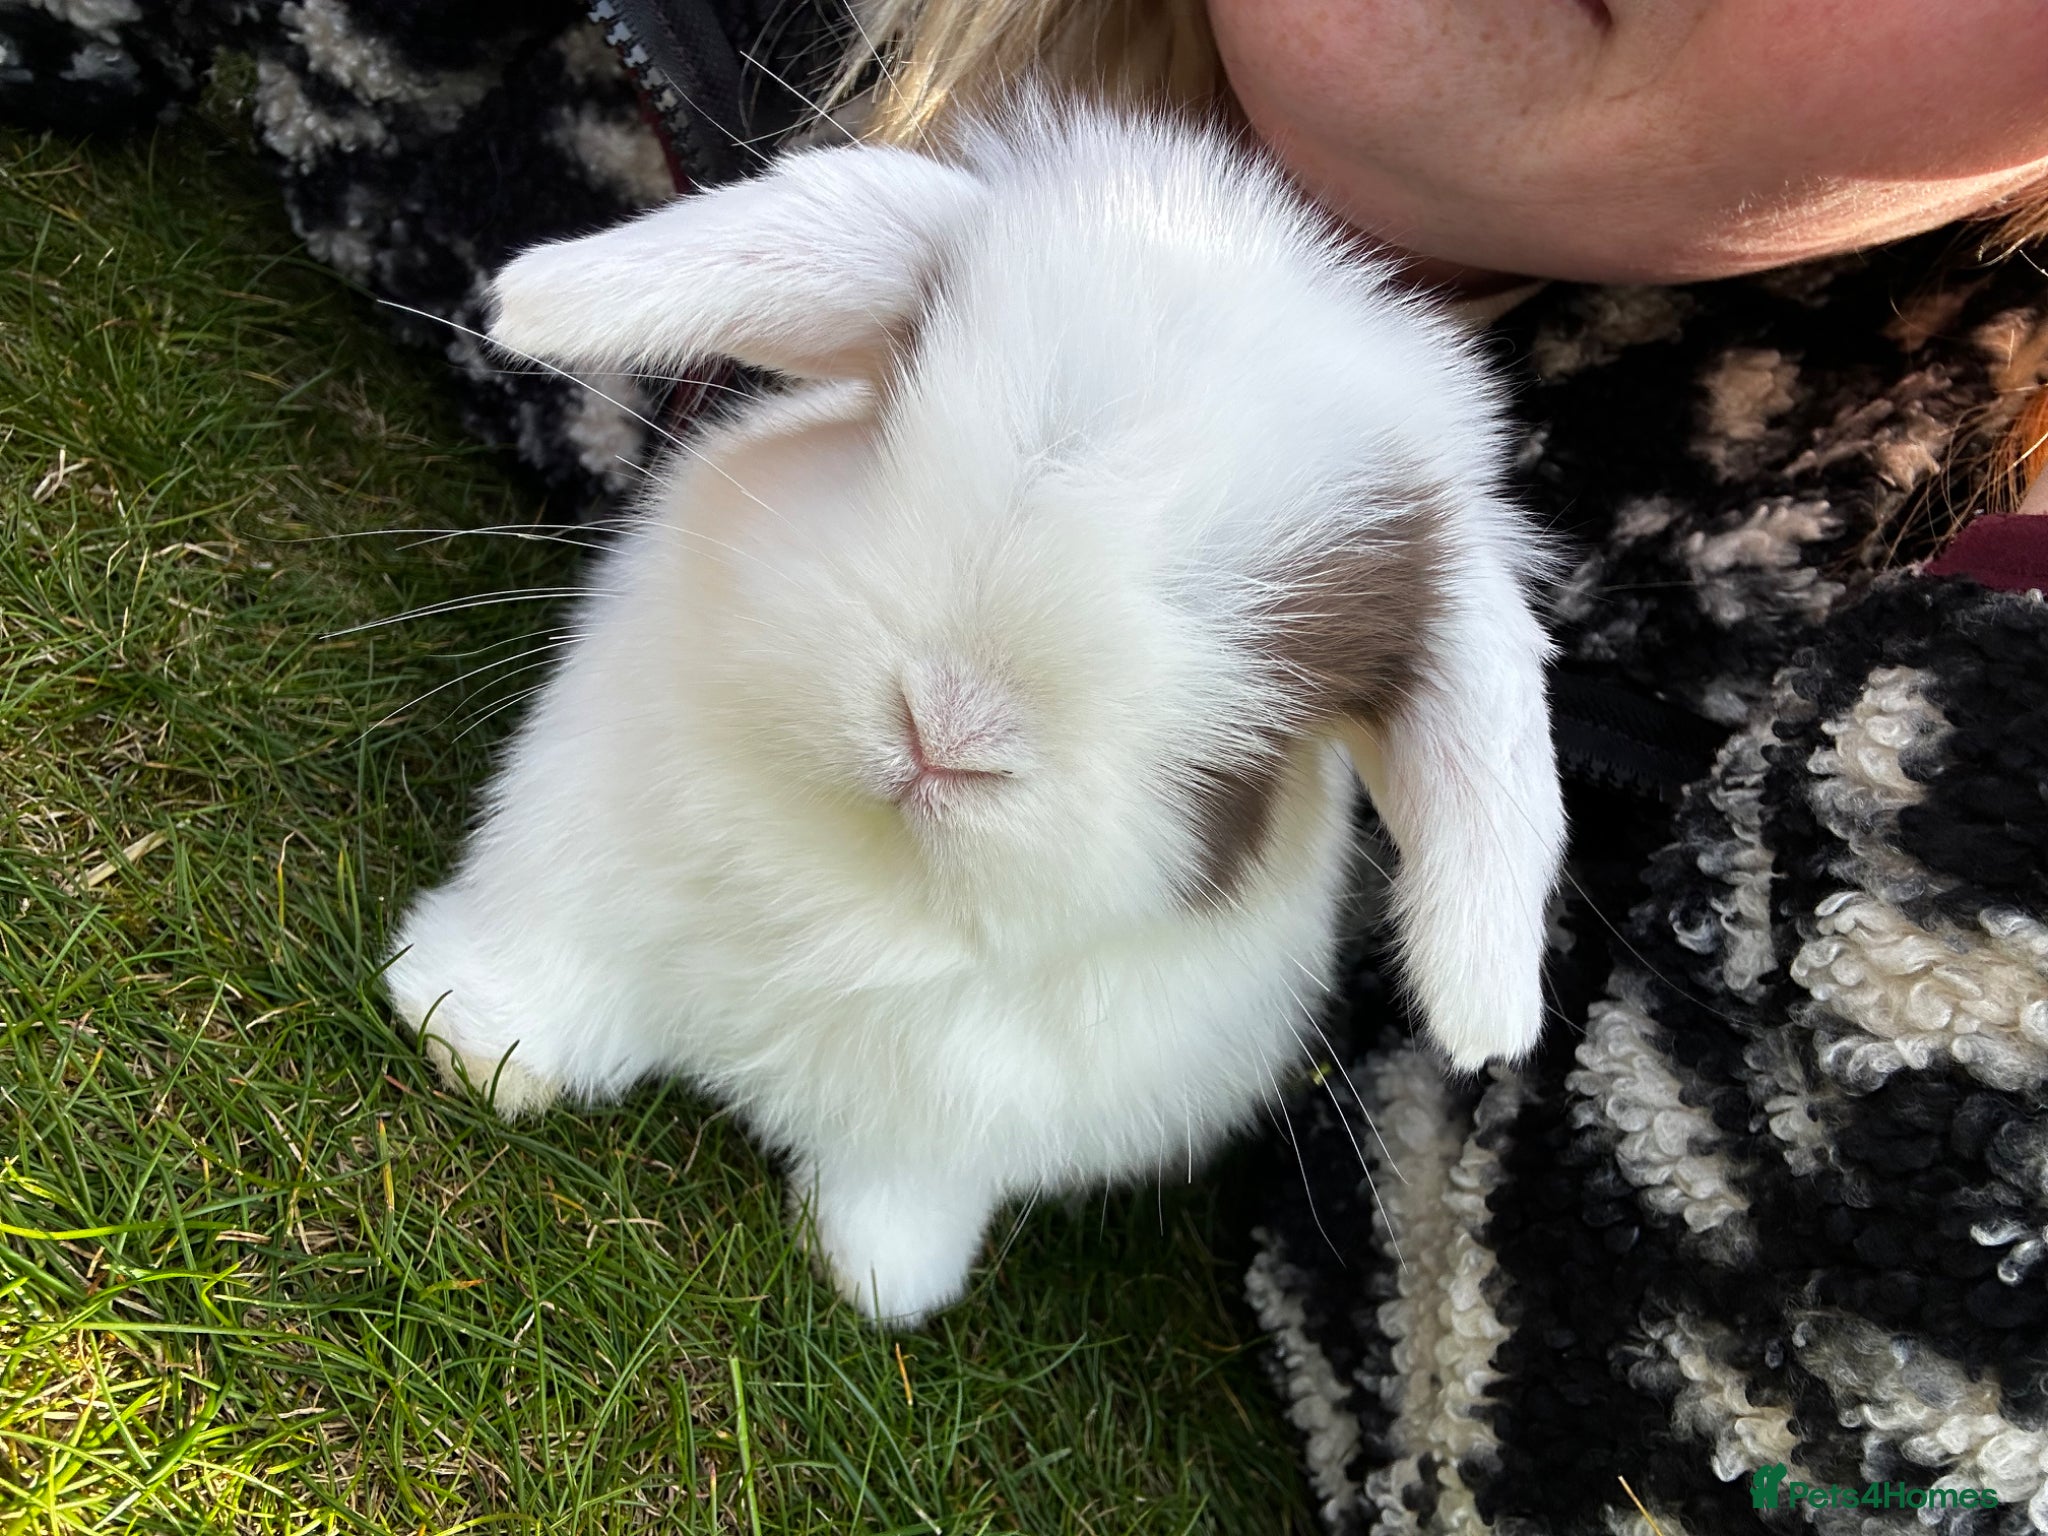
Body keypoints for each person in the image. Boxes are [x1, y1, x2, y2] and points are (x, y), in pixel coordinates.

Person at [9, 3, 2045, 1529]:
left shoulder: (1829, 649)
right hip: (712, 757)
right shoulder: (1007, 214)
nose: (947, 727)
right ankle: (564, 955)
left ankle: (920, 1156)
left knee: (1071, 1066)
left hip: (1078, 961)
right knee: (626, 790)